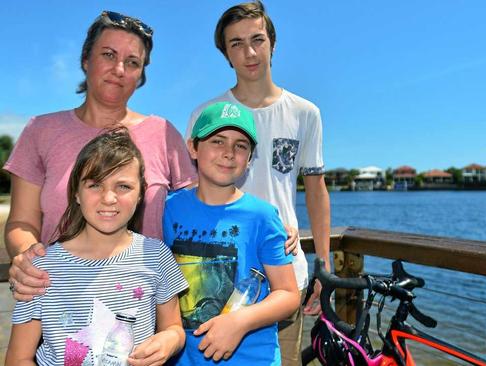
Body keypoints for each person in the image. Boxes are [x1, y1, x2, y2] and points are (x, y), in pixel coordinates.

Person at [4, 10, 196, 301]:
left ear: (140, 75)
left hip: (145, 310)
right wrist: (26, 259)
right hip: (59, 305)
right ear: (85, 60)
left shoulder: (164, 134)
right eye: (108, 55)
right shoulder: (40, 131)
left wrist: (270, 223)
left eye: (132, 62)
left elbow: (203, 212)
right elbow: (21, 223)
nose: (119, 69)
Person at [185, 2, 331, 363]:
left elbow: (315, 189)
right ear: (226, 55)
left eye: (257, 39)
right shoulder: (206, 115)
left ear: (273, 44)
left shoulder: (305, 113)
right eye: (236, 43)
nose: (249, 52)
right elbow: (193, 194)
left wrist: (323, 266)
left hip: (285, 271)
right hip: (216, 273)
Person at [6, 128, 189, 365]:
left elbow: (174, 328)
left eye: (123, 186)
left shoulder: (156, 255)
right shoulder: (40, 268)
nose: (109, 198)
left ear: (141, 193)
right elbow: (18, 358)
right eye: (95, 185)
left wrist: (169, 341)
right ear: (77, 193)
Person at [164, 101, 300, 364]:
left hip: (252, 358)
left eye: (241, 146)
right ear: (193, 147)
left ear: (249, 158)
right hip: (185, 358)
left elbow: (288, 294)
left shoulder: (262, 216)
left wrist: (240, 322)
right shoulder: (168, 209)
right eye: (217, 141)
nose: (229, 152)